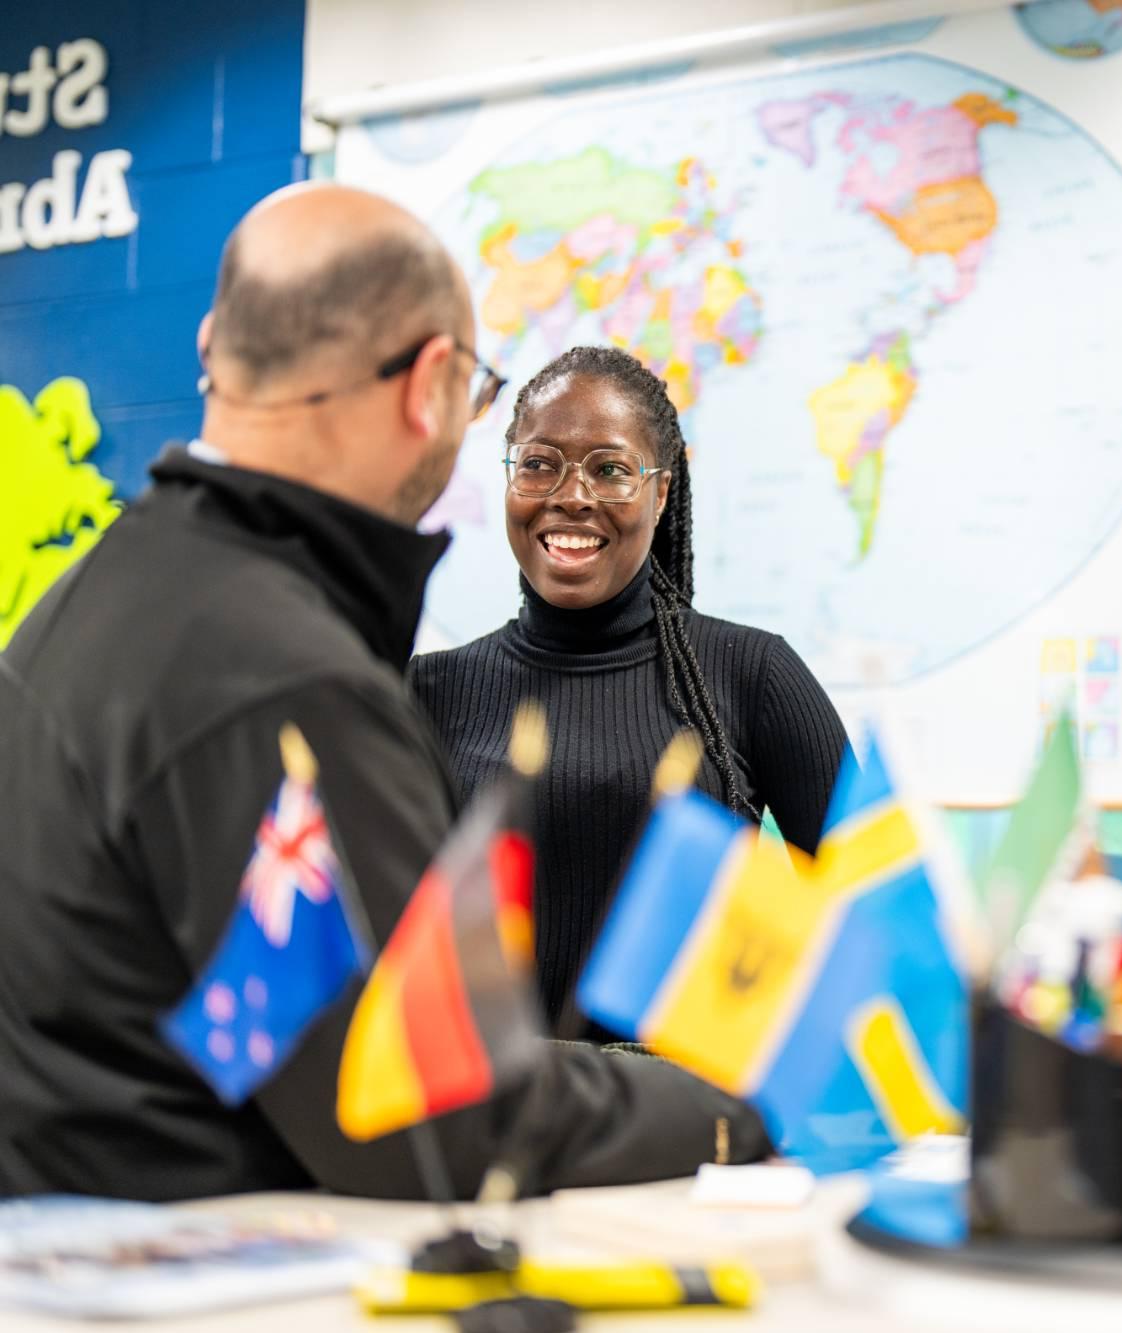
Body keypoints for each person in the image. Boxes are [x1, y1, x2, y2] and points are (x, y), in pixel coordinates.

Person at [0, 185, 770, 1202]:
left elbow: (287, 1035)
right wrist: (734, 1112)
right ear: (431, 384)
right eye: (484, 398)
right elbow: (431, 1114)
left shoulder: (79, 605)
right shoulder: (286, 677)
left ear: (214, 350)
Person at [411, 345, 850, 1031]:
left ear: (662, 489)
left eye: (610, 469)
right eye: (538, 464)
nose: (571, 495)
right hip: (486, 1124)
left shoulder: (750, 674)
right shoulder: (430, 691)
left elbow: (875, 927)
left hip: (687, 1126)